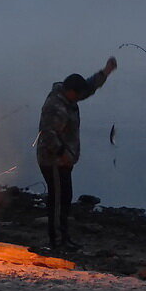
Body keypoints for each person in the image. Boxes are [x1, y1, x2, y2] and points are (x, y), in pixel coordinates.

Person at [36, 56, 117, 250]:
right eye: (78, 94)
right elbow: (47, 134)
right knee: (56, 200)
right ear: (70, 91)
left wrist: (105, 72)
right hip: (52, 160)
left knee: (66, 197)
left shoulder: (70, 96)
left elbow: (88, 87)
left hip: (66, 160)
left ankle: (64, 238)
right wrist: (62, 153)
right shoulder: (55, 106)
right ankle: (55, 241)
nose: (81, 97)